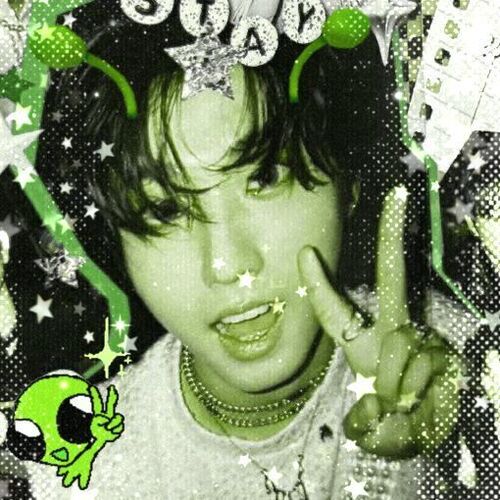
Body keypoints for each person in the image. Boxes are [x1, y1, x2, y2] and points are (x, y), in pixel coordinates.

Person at [2, 1, 476, 498]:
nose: (227, 264)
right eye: (164, 211)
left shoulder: (471, 365)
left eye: (265, 178)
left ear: (347, 181)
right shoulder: (69, 466)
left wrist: (468, 438)